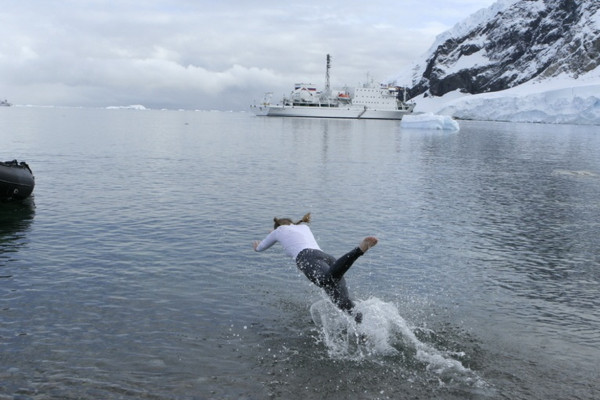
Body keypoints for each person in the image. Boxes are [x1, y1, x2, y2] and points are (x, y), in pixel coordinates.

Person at [253, 213, 378, 323]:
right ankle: (363, 331)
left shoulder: (278, 231)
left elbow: (260, 247)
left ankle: (359, 250)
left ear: (278, 226)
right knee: (343, 302)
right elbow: (290, 233)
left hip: (307, 258)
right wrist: (275, 233)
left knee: (326, 281)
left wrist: (258, 245)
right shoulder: (303, 227)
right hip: (327, 257)